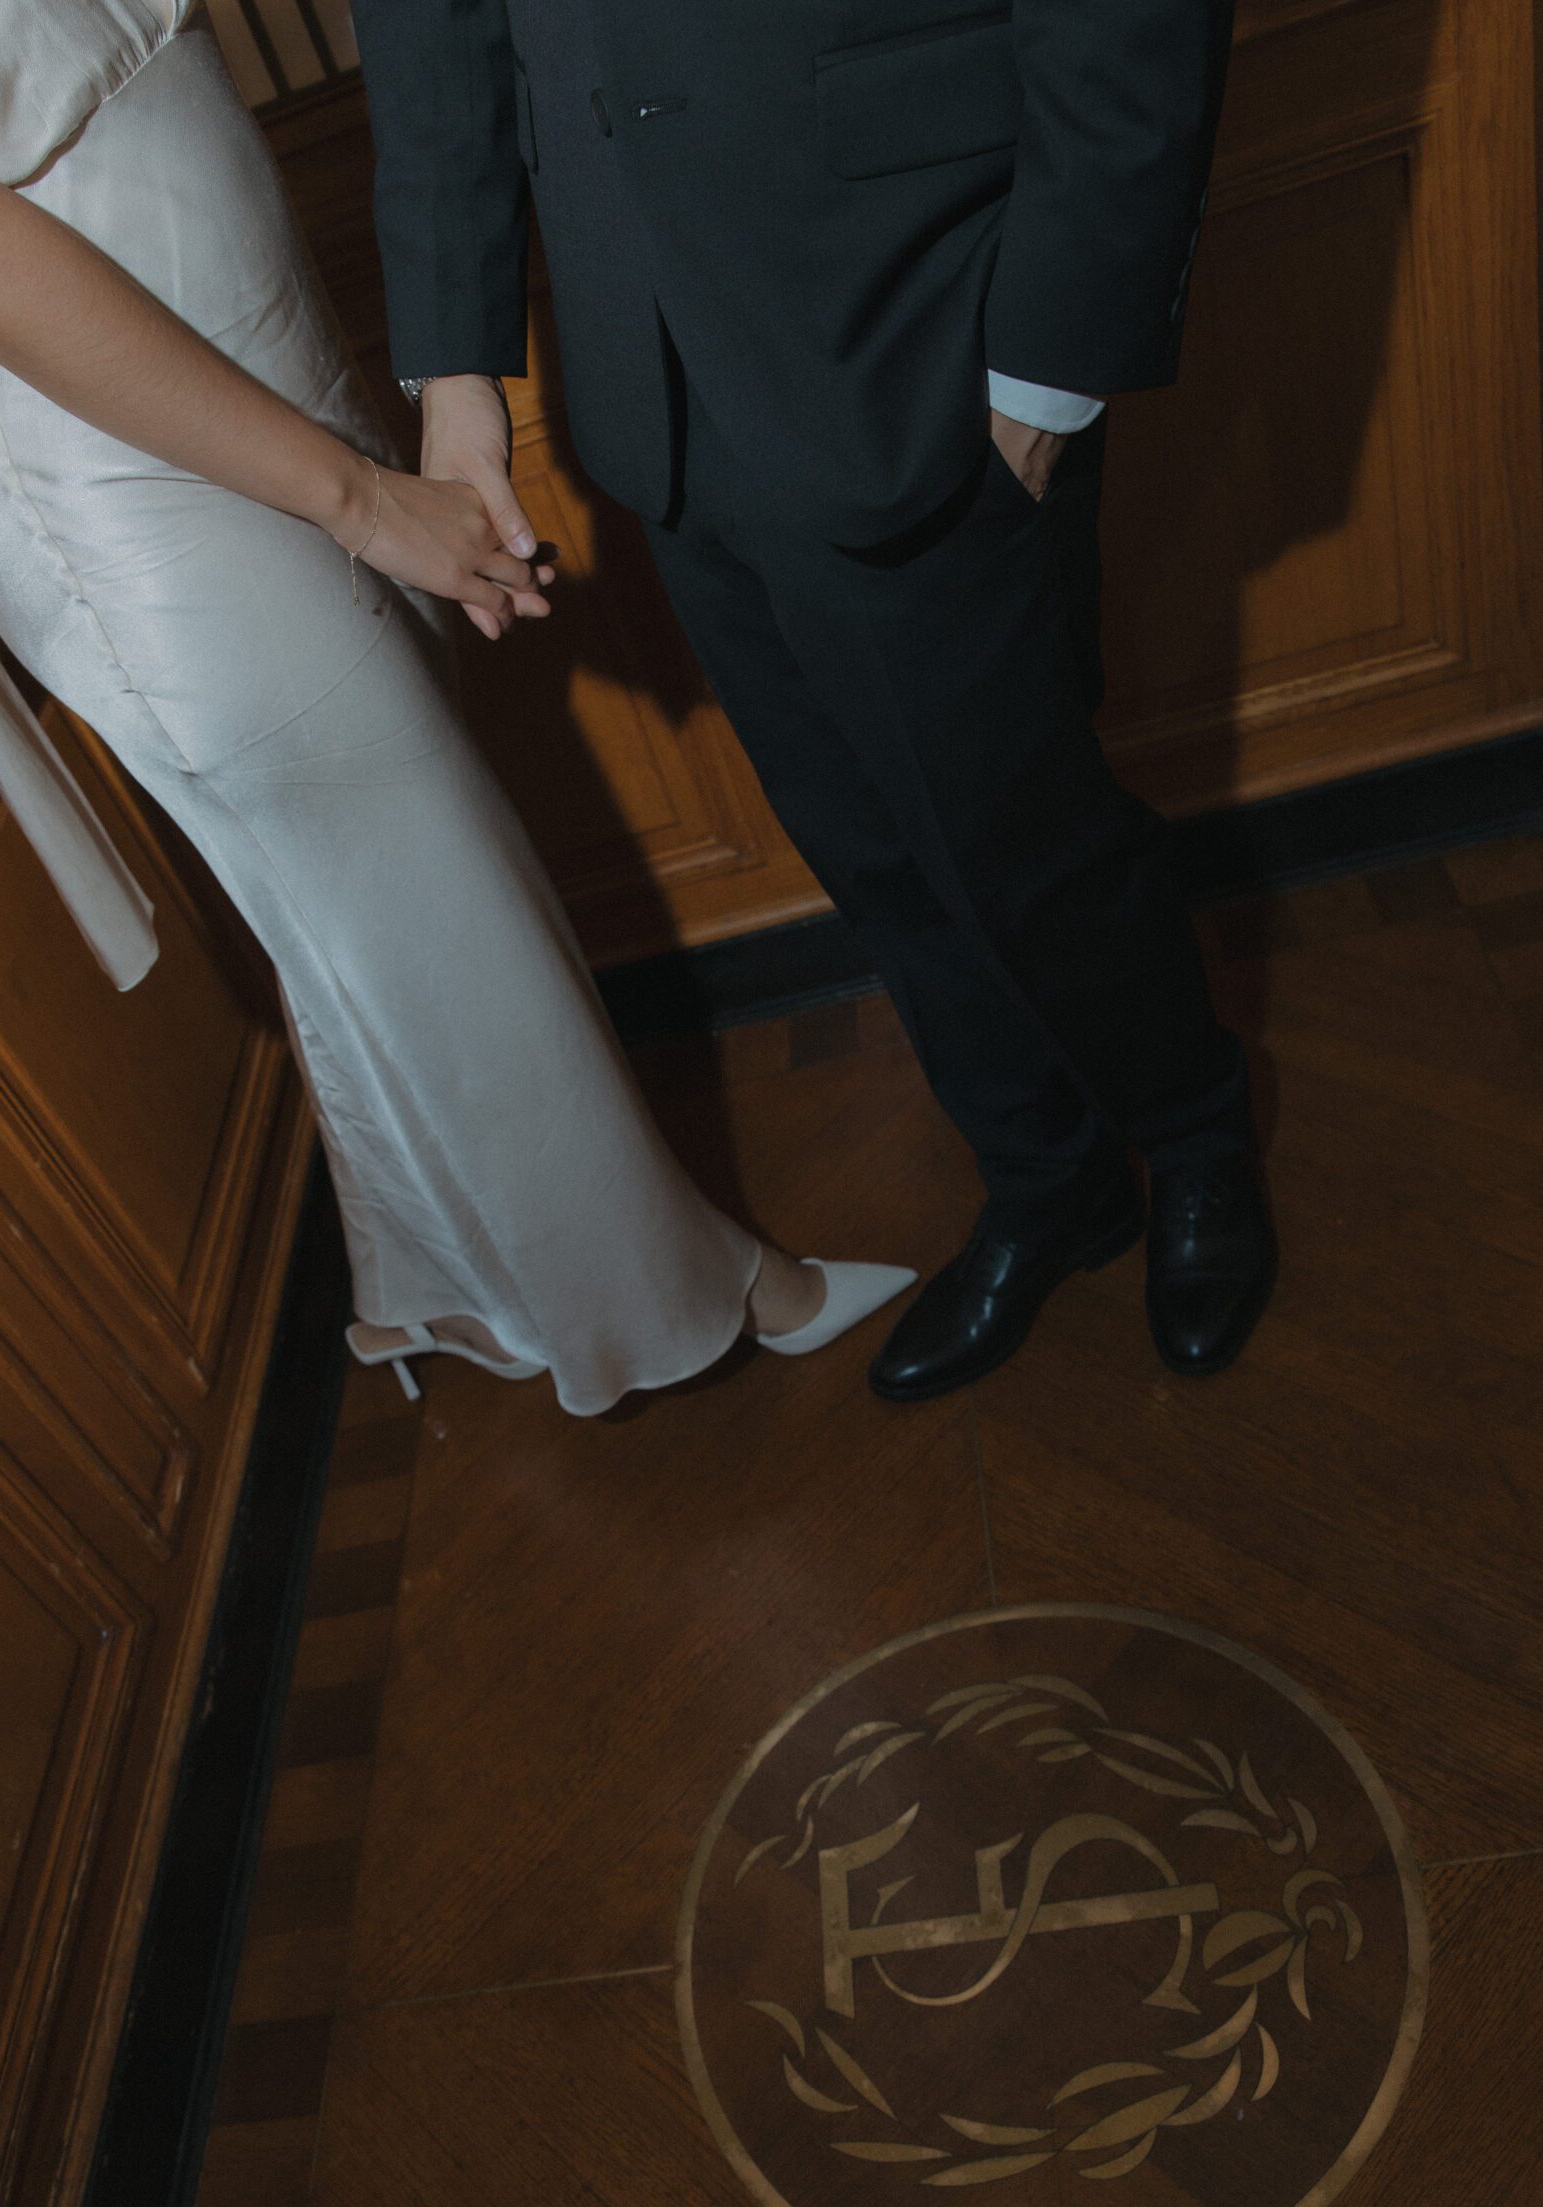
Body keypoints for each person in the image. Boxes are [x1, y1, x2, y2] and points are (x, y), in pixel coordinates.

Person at [0, 0, 916, 1419]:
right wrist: (355, 500)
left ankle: (427, 1291)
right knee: (433, 886)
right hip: (107, 466)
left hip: (257, 336)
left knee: (367, 897)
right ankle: (687, 1298)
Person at [349, 0, 1280, 1401]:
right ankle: (1049, 1177)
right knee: (866, 839)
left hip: (921, 302)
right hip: (648, 340)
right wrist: (456, 371)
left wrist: (1057, 354)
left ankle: (1196, 1131)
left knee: (1021, 833)